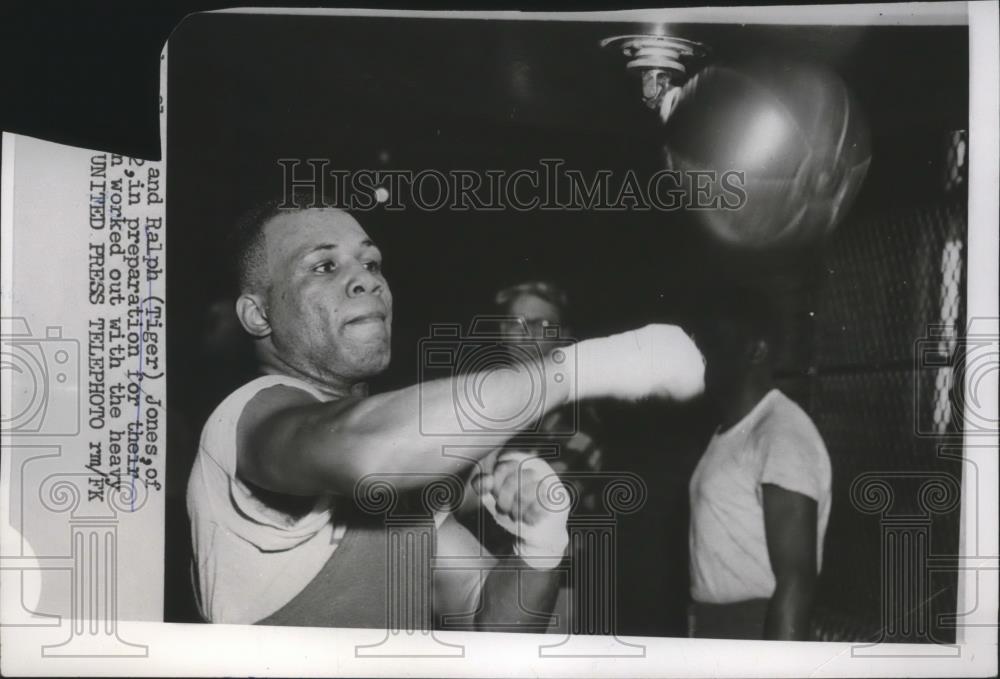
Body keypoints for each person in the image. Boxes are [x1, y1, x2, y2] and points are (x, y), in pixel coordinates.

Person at [185, 198, 706, 629]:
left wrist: (540, 544)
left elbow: (487, 620)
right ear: (258, 314)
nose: (366, 280)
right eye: (324, 266)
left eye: (371, 262)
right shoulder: (247, 418)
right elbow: (365, 452)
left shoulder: (403, 469)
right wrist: (591, 366)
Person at [687, 288, 832, 640]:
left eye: (709, 343)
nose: (697, 355)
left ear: (756, 349)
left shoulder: (781, 434)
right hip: (717, 629)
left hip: (753, 631)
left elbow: (795, 581)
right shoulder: (733, 430)